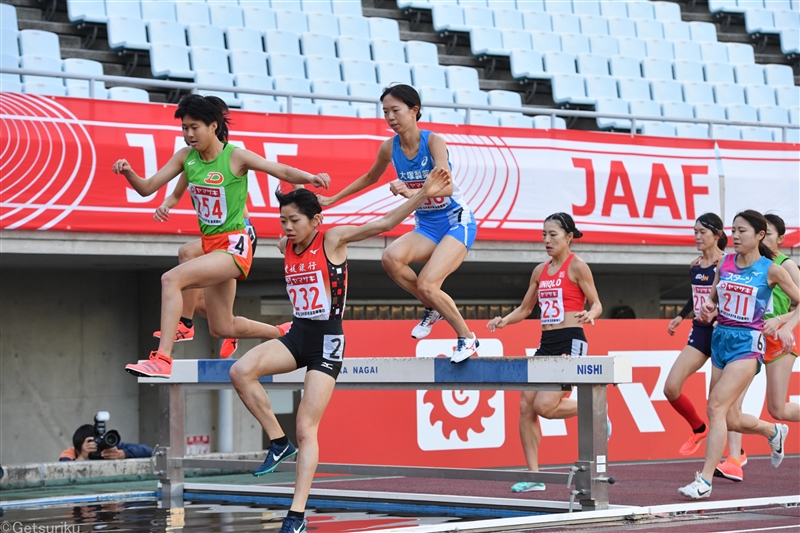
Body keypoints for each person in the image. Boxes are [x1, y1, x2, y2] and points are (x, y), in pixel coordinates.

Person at [229, 168, 451, 533]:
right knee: (240, 371)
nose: (287, 227)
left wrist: (423, 193)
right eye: (282, 220)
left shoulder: (332, 239)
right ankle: (278, 442)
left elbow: (384, 223)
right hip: (298, 333)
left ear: (316, 219)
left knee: (306, 427)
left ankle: (296, 515)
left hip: (327, 341)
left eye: (294, 220)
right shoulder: (285, 246)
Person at [114, 94, 330, 378]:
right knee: (221, 327)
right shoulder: (185, 158)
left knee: (172, 278)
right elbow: (147, 188)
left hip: (234, 247)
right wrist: (129, 172)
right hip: (211, 245)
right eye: (185, 128)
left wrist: (309, 177)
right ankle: (282, 330)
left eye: (195, 127)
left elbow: (279, 169)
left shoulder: (235, 156)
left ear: (213, 126)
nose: (189, 135)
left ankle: (163, 357)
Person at [317, 84, 479, 363]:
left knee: (429, 283)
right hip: (427, 224)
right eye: (385, 112)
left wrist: (412, 192)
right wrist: (333, 200)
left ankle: (467, 338)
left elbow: (447, 187)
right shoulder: (388, 148)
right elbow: (369, 178)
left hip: (455, 221)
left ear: (414, 110)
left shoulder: (433, 142)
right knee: (390, 258)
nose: (390, 117)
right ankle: (433, 307)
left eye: (396, 110)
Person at [679, 210, 800, 500]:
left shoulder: (771, 269)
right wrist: (709, 309)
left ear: (759, 235)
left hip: (747, 345)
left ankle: (704, 480)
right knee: (730, 419)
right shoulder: (726, 263)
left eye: (742, 231)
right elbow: (712, 301)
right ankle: (773, 432)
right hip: (721, 340)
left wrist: (784, 323)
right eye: (733, 231)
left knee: (715, 408)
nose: (735, 236)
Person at [486, 213, 603, 493]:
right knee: (526, 406)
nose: (547, 240)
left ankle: (598, 412)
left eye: (553, 235)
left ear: (569, 237)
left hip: (571, 341)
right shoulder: (540, 271)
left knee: (544, 407)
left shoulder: (578, 267)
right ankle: (534, 475)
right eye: (543, 235)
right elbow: (526, 309)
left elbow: (598, 302)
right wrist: (504, 320)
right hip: (546, 344)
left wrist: (591, 314)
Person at [151, 175, 290, 358]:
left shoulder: (225, 160)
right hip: (218, 238)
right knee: (204, 309)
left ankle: (185, 324)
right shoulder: (192, 161)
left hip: (238, 234)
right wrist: (129, 173)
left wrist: (304, 182)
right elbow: (151, 188)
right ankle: (276, 331)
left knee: (187, 252)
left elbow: (281, 170)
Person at [663, 214, 747, 482]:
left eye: (702, 232)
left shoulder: (729, 264)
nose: (697, 237)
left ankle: (730, 459)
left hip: (724, 333)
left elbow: (731, 297)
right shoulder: (695, 264)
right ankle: (698, 428)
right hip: (700, 333)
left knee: (719, 404)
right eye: (695, 232)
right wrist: (682, 314)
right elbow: (698, 292)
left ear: (717, 234)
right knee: (671, 387)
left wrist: (718, 311)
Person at [762, 214, 800, 423]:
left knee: (777, 410)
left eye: (767, 234)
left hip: (778, 337)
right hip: (751, 337)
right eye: (760, 233)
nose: (762, 238)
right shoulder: (753, 264)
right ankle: (736, 455)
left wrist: (779, 320)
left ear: (780, 239)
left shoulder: (786, 265)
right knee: (729, 403)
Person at [59, 425, 152, 461]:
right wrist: (82, 457)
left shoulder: (108, 448)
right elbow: (63, 471)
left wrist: (122, 453)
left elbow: (148, 450)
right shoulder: (71, 452)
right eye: (90, 447)